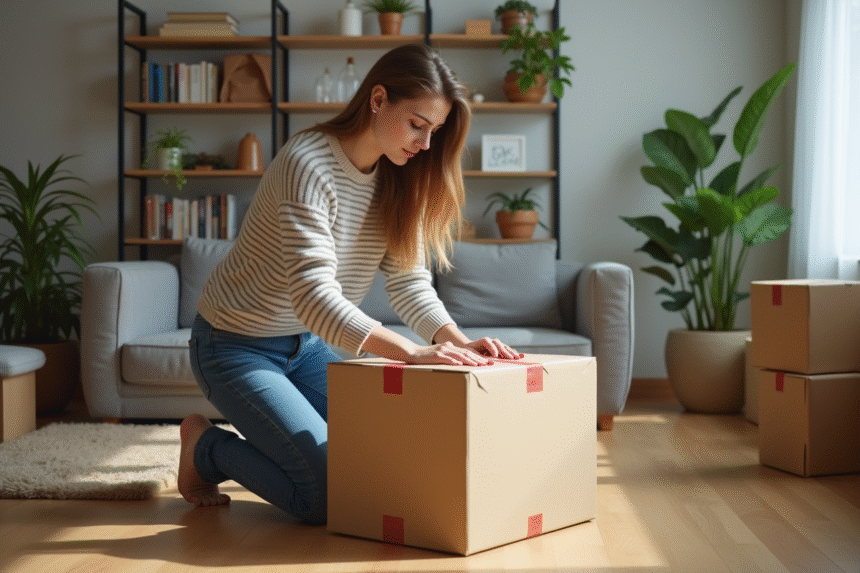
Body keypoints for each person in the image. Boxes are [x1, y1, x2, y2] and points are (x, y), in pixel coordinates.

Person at [178, 44, 521, 524]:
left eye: (435, 132)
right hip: (234, 346)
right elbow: (314, 297)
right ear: (378, 99)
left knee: (379, 463)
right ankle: (204, 447)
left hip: (307, 346)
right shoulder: (308, 163)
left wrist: (460, 344)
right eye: (417, 125)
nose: (425, 145)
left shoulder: (400, 175)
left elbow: (409, 282)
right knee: (323, 497)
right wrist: (412, 352)